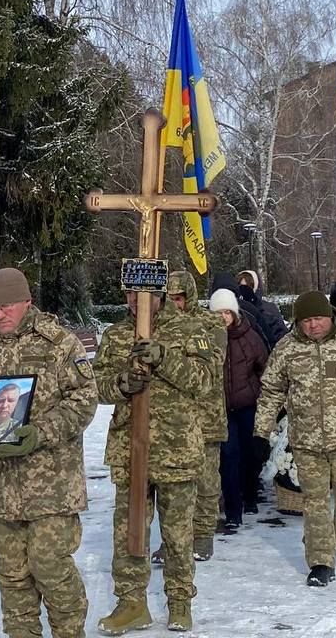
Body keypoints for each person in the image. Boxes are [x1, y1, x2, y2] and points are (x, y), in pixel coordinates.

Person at [0, 268, 97, 638]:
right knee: (12, 577)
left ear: (27, 301)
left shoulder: (59, 344)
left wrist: (41, 432)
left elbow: (84, 399)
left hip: (51, 487)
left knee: (51, 569)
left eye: (7, 306)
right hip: (0, 489)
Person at [252, 291, 336, 587]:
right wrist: (261, 433)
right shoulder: (286, 348)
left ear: (330, 317)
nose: (313, 325)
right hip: (306, 441)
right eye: (307, 321)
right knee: (314, 502)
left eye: (318, 319)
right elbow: (271, 391)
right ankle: (320, 561)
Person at [95, 286, 212, 634]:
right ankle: (131, 603)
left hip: (176, 449)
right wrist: (122, 383)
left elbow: (205, 382)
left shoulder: (190, 330)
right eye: (130, 295)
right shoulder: (116, 334)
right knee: (128, 533)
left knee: (177, 535)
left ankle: (179, 602)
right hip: (131, 450)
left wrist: (165, 357)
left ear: (160, 295)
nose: (135, 302)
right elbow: (96, 386)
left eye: (143, 295)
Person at [163, 271, 227, 563]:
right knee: (172, 484)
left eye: (179, 298)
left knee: (206, 480)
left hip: (206, 414)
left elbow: (212, 364)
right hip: (172, 419)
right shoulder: (160, 326)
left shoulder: (210, 323)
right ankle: (174, 539)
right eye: (170, 299)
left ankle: (202, 534)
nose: (175, 304)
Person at [210, 287, 268, 530]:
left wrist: (259, 392)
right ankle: (234, 510)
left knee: (250, 452)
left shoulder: (248, 336)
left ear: (234, 313)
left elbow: (264, 366)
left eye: (227, 312)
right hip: (221, 408)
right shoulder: (208, 339)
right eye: (218, 312)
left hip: (247, 404)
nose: (223, 317)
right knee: (229, 456)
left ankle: (251, 494)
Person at [237, 269, 288, 345]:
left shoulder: (269, 308)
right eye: (241, 287)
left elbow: (281, 335)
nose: (245, 291)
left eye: (248, 287)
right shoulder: (234, 310)